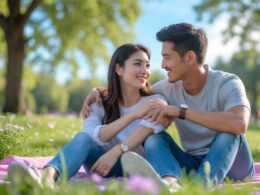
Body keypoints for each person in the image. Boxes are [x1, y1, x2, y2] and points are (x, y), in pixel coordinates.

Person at [81, 23, 255, 186]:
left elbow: (239, 124)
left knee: (229, 133)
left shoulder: (228, 83)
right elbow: (134, 89)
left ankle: (202, 187)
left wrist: (180, 111)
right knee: (154, 138)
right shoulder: (166, 88)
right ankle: (170, 183)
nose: (163, 64)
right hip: (192, 162)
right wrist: (99, 91)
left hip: (235, 166)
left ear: (189, 57)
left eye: (167, 57)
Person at [7, 43, 173, 189]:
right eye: (138, 64)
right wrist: (132, 116)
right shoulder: (98, 101)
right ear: (118, 69)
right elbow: (94, 135)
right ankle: (46, 177)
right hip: (101, 165)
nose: (145, 71)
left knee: (151, 140)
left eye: (148, 65)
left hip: (137, 167)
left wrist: (116, 151)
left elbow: (150, 129)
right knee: (83, 138)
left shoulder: (155, 101)